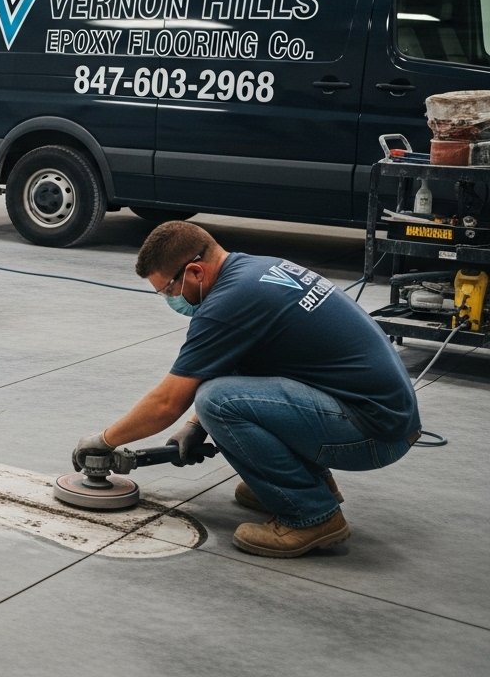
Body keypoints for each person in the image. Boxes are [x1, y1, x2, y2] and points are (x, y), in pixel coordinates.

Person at [72, 221, 421, 558]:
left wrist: (104, 440)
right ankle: (310, 485)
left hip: (374, 434)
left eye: (168, 290)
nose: (171, 299)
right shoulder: (255, 271)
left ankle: (312, 516)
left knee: (217, 401)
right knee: (218, 393)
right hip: (385, 415)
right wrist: (195, 428)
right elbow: (232, 364)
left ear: (194, 272)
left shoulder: (227, 304)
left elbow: (167, 402)